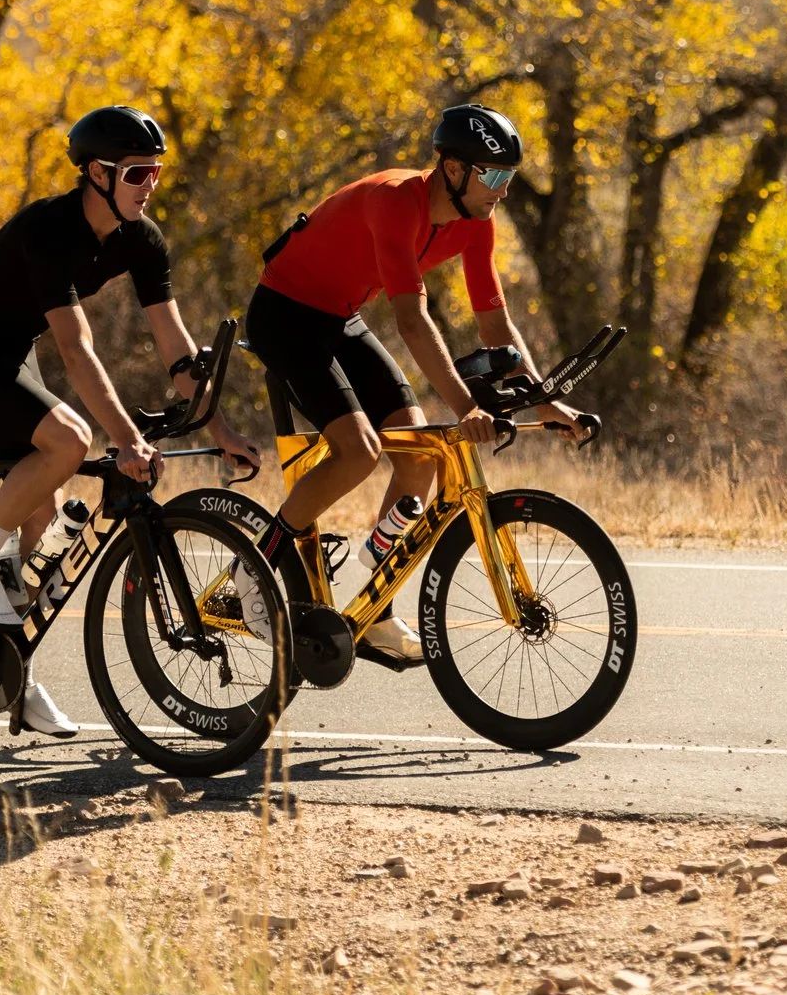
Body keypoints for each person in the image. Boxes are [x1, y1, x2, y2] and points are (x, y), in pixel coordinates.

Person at [0, 105, 262, 737]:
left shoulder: (141, 239)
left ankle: (10, 670)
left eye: (155, 173)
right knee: (71, 441)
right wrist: (124, 438)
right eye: (136, 174)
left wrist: (221, 431)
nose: (149, 185)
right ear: (96, 174)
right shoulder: (49, 230)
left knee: (42, 513)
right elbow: (76, 352)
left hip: (8, 352)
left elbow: (175, 347)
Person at [241, 103, 579, 661]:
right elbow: (411, 320)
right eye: (493, 176)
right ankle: (254, 571)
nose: (502, 191)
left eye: (509, 178)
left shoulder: (477, 224)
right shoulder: (397, 201)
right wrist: (467, 404)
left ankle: (374, 603)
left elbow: (495, 323)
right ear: (453, 170)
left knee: (420, 456)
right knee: (357, 452)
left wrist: (546, 402)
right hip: (285, 314)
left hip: (338, 316)